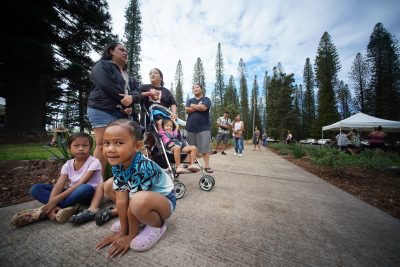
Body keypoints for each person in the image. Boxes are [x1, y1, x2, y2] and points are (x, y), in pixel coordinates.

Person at [95, 119, 176, 258]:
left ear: (137, 146)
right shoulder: (119, 162)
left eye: (119, 143)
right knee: (109, 185)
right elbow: (121, 200)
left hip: (164, 202)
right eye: (106, 143)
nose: (110, 149)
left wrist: (129, 236)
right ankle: (138, 220)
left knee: (137, 201)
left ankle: (157, 225)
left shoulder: (143, 167)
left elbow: (132, 203)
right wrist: (123, 230)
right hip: (142, 198)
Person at [11, 133, 102, 227]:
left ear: (90, 148)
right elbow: (59, 185)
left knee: (85, 187)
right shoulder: (68, 164)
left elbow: (80, 183)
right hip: (72, 193)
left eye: (85, 145)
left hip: (88, 195)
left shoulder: (94, 162)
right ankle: (62, 208)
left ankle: (42, 212)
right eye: (76, 145)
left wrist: (56, 199)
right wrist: (52, 202)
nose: (81, 148)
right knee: (35, 189)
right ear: (69, 148)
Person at [87, 42, 140, 176]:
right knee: (101, 144)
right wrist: (126, 102)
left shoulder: (129, 75)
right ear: (111, 51)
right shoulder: (102, 65)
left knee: (123, 147)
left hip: (120, 114)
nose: (125, 53)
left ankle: (125, 182)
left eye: (126, 51)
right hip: (101, 109)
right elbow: (105, 84)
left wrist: (131, 100)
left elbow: (136, 92)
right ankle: (94, 184)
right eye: (121, 50)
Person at [185, 83, 213, 173]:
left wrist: (193, 106)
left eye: (197, 87)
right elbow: (187, 110)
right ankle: (191, 164)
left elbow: (204, 108)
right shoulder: (190, 100)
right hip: (190, 128)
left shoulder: (206, 99)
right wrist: (198, 107)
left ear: (201, 89)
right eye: (193, 88)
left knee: (205, 148)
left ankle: (207, 166)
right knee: (191, 148)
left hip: (204, 128)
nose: (195, 89)